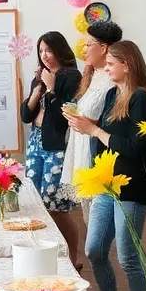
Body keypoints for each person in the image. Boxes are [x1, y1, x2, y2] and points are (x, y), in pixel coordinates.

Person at [65, 41, 146, 291]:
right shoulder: (111, 96)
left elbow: (135, 148)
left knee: (128, 257)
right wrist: (85, 123)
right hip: (106, 184)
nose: (106, 67)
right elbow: (109, 133)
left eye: (111, 63)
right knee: (94, 250)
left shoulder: (141, 98)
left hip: (131, 187)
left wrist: (94, 132)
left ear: (127, 65)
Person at [20, 31, 83, 269]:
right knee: (35, 203)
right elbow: (26, 115)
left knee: (57, 207)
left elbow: (65, 113)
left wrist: (52, 88)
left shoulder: (71, 75)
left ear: (60, 50)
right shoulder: (40, 78)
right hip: (36, 141)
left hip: (57, 145)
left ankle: (72, 259)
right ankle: (45, 257)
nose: (45, 55)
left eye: (49, 50)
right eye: (41, 51)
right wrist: (38, 90)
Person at [57, 20, 123, 203]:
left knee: (98, 215)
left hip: (98, 153)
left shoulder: (114, 80)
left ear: (103, 48)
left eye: (88, 44)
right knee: (88, 215)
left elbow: (115, 123)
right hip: (81, 147)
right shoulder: (92, 75)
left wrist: (88, 123)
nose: (84, 49)